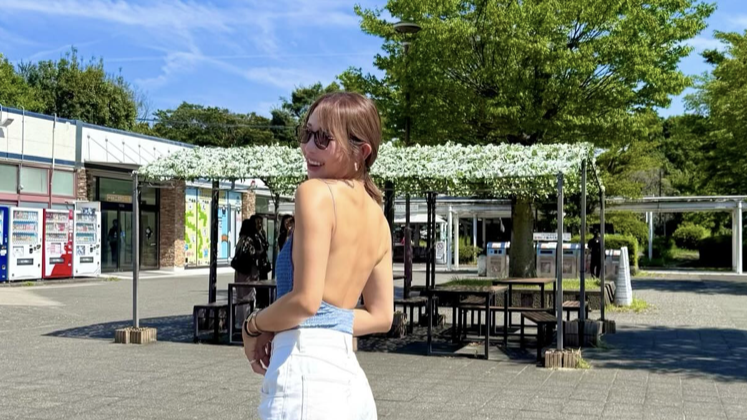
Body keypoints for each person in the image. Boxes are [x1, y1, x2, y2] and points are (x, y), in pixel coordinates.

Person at [242, 92, 391, 420]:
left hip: (305, 376)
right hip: (351, 382)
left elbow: (306, 301)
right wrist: (329, 317)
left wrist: (253, 325)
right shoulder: (379, 220)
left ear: (362, 151)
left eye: (324, 138)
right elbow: (382, 317)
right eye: (306, 133)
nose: (309, 147)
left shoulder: (314, 193)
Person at [231, 219, 262, 324]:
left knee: (240, 297)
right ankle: (247, 321)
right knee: (248, 296)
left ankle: (239, 321)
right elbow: (254, 255)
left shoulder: (241, 240)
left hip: (239, 272)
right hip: (248, 272)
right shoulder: (249, 240)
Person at [251, 215, 272, 280]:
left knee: (264, 280)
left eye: (261, 223)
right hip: (257, 263)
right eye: (257, 223)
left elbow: (266, 245)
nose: (260, 225)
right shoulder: (252, 235)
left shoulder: (262, 233)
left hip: (263, 262)